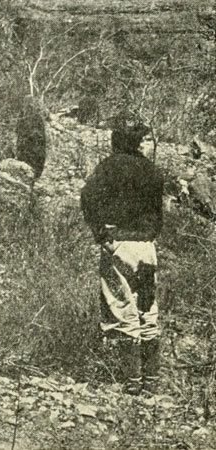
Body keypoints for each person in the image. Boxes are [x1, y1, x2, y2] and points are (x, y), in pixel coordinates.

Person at [80, 115, 164, 395]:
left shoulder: (109, 167)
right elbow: (157, 212)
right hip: (147, 247)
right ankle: (151, 382)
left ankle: (133, 384)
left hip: (119, 244)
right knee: (148, 312)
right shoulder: (151, 169)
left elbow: (88, 199)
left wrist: (101, 234)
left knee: (123, 309)